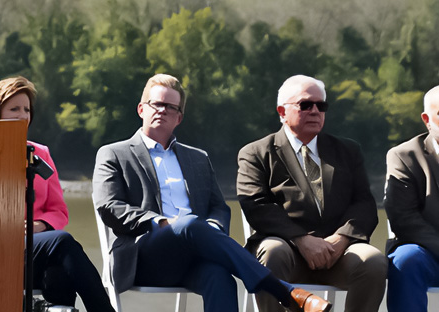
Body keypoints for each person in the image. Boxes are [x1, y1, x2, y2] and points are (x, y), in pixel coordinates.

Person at [93, 73, 331, 312]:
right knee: (188, 224)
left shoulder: (197, 158)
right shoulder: (114, 154)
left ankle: (284, 292)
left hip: (195, 255)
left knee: (219, 276)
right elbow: (109, 206)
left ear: (179, 118)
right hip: (143, 257)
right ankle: (285, 292)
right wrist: (163, 222)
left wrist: (213, 229)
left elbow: (218, 207)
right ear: (141, 109)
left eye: (170, 107)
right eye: (156, 104)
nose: (162, 110)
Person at [237, 75, 387, 312]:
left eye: (321, 106)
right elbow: (256, 206)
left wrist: (341, 240)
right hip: (288, 251)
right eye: (305, 105)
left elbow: (364, 204)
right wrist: (301, 239)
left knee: (373, 260)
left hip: (338, 253)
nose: (315, 111)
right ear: (281, 112)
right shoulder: (256, 153)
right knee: (271, 252)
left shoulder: (347, 150)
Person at [0, 76, 115, 312]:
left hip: (36, 250)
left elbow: (59, 211)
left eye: (26, 109)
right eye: (14, 109)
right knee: (63, 242)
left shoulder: (40, 153)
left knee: (60, 271)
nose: (23, 115)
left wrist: (41, 225)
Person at [384, 85, 439, 312]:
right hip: (429, 253)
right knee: (406, 259)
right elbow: (403, 218)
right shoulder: (404, 156)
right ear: (427, 119)